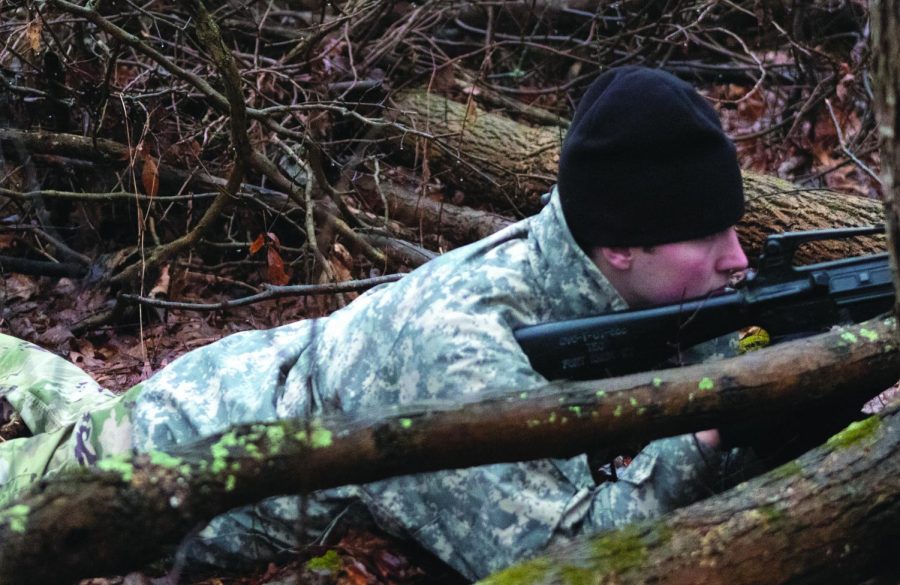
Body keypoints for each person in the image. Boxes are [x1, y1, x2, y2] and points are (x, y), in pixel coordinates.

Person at [0, 66, 748, 580]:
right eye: (708, 234)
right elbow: (564, 560)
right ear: (619, 246)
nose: (737, 257)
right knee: (71, 447)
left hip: (245, 377)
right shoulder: (459, 351)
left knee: (67, 397)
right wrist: (711, 427)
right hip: (158, 450)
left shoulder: (592, 271)